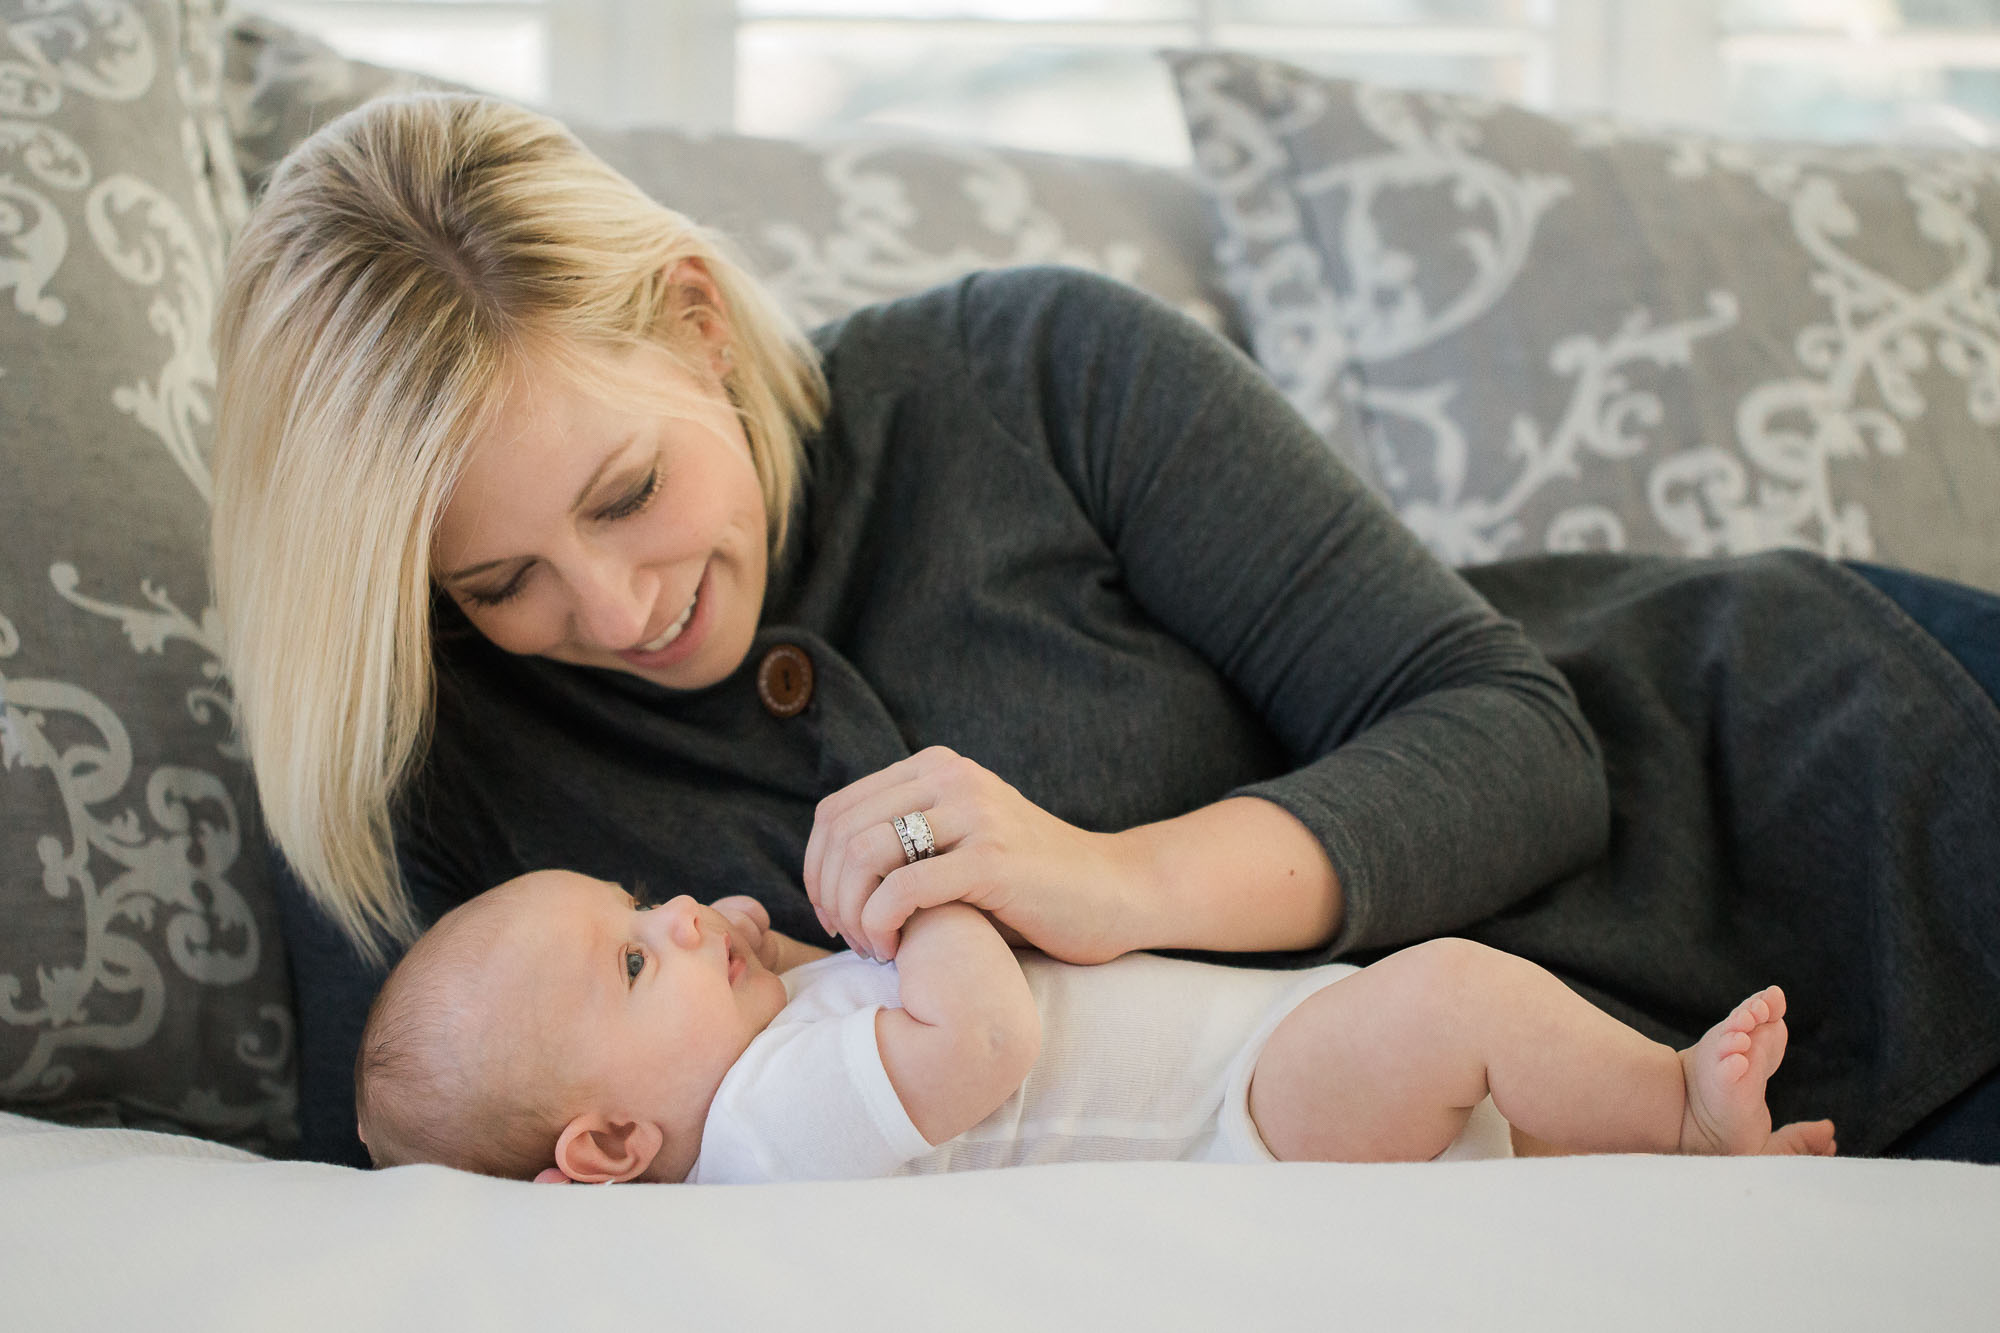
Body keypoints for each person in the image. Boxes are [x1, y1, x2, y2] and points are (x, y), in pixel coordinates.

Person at [209, 92, 2000, 1171]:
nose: (609, 613)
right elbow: (406, 1153)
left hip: (1806, 779)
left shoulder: (1027, 371)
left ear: (691, 324)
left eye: (621, 495)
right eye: (494, 582)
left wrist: (1114, 882)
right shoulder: (416, 764)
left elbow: (1518, 741)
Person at [354, 870, 1835, 1182]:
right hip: (1244, 1122)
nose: (680, 911)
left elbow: (861, 1008)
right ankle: (1684, 1112)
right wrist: (924, 883)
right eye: (631, 958)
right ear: (610, 1142)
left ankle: (1665, 1139)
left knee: (1468, 1036)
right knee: (1453, 996)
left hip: (1252, 1069)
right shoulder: (760, 1133)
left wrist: (763, 948)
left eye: (637, 898)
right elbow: (978, 1039)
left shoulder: (768, 1056)